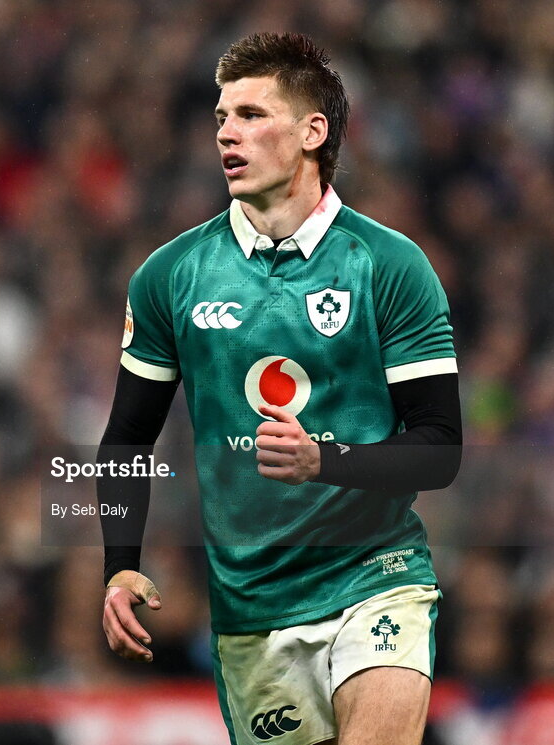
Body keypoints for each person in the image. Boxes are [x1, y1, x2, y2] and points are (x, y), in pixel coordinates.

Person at [98, 33, 461, 745]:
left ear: (311, 132)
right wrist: (118, 568)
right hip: (252, 608)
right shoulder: (171, 275)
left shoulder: (391, 266)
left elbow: (439, 448)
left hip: (375, 574)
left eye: (253, 114)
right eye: (221, 117)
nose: (227, 132)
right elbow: (124, 442)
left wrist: (324, 460)